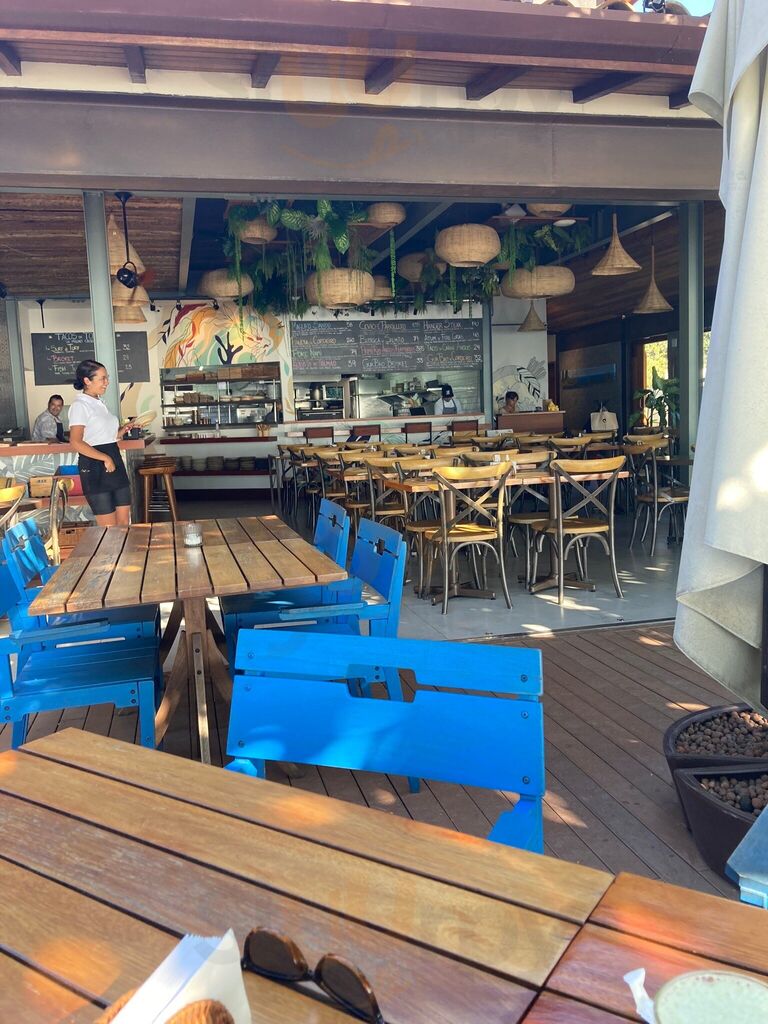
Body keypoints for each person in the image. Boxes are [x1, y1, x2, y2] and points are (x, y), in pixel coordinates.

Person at [68, 360, 136, 526]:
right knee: (109, 529)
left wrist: (123, 430)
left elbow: (104, 437)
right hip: (95, 467)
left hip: (114, 461)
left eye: (107, 378)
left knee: (124, 523)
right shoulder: (80, 405)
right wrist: (105, 458)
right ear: (87, 380)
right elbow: (76, 442)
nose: (107, 382)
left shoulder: (99, 403)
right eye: (102, 378)